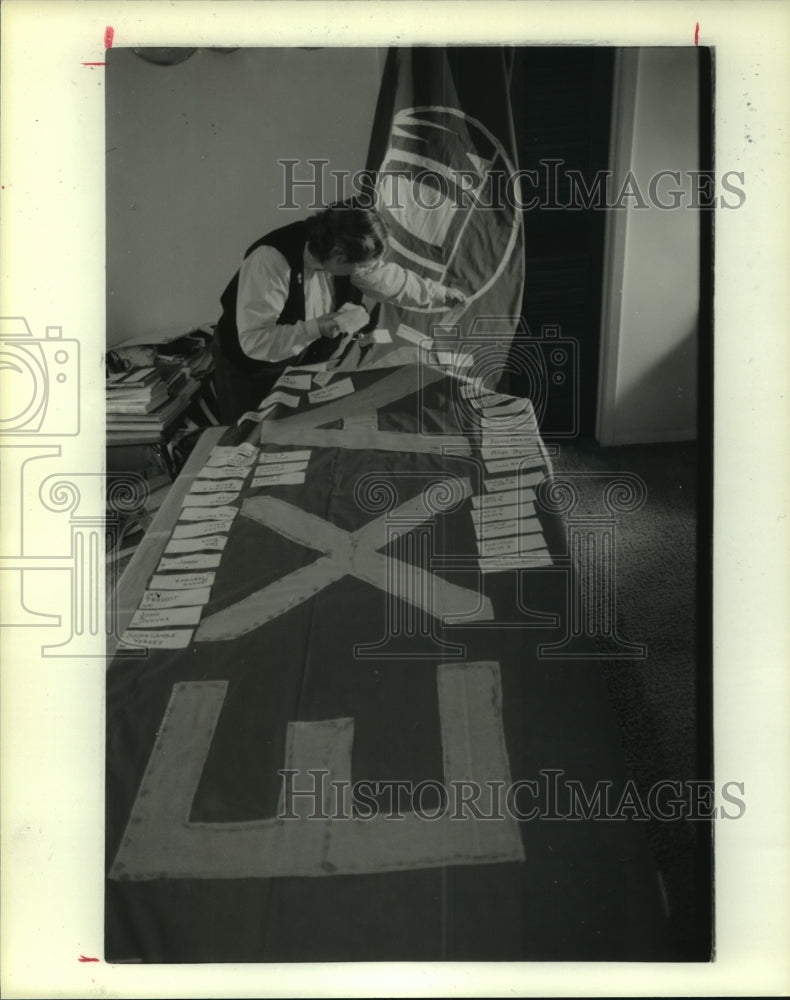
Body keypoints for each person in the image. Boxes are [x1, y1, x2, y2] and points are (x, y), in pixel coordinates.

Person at [212, 203, 465, 422]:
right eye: (362, 268)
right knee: (248, 436)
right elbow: (255, 341)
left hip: (299, 361)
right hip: (248, 368)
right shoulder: (270, 260)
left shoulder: (341, 248)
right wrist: (318, 328)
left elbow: (386, 279)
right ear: (338, 257)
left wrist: (438, 293)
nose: (366, 273)